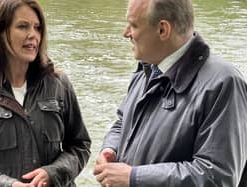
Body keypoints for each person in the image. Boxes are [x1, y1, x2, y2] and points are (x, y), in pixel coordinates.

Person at [93, 0, 247, 186]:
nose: (126, 33)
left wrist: (134, 178)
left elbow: (217, 176)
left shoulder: (223, 84)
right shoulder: (147, 69)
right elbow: (122, 122)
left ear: (163, 30)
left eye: (133, 25)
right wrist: (111, 149)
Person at [0, 0, 91, 186]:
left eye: (37, 27)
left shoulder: (60, 85)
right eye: (23, 26)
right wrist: (6, 184)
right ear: (0, 33)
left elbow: (80, 145)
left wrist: (53, 173)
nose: (33, 35)